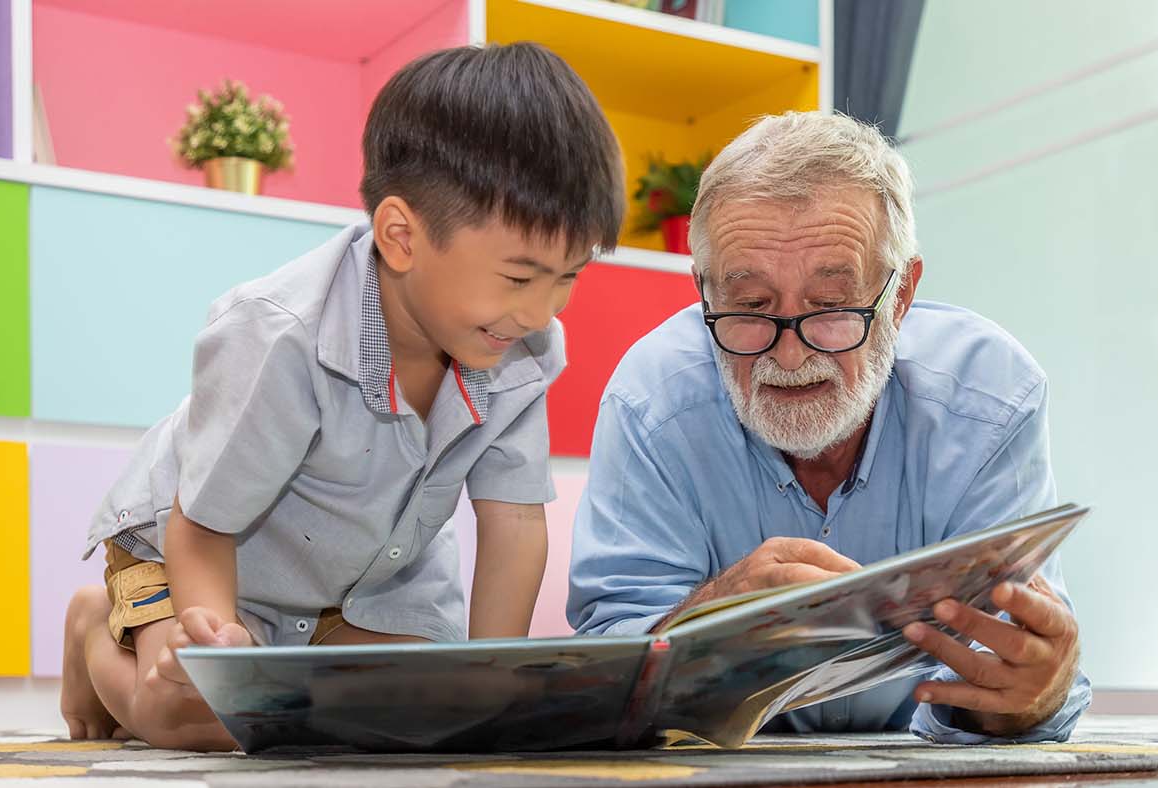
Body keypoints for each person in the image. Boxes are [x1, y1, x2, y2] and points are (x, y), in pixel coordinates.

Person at [61, 42, 624, 750]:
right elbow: (203, 527)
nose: (542, 312)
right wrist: (220, 646)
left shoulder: (525, 348)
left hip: (367, 583)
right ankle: (94, 635)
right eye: (519, 278)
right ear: (400, 237)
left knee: (421, 716)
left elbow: (513, 526)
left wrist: (491, 684)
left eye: (567, 278)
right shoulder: (281, 335)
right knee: (213, 722)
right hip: (196, 550)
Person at [568, 110, 1089, 743]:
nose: (789, 356)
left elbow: (1010, 669)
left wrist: (1032, 694)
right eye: (751, 306)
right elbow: (601, 675)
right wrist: (706, 620)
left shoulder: (990, 401)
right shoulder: (651, 403)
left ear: (899, 296)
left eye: (832, 306)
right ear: (704, 292)